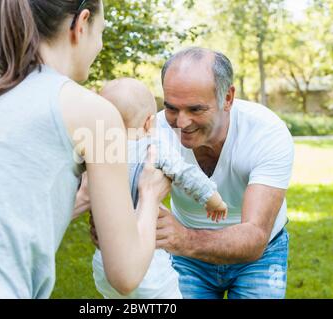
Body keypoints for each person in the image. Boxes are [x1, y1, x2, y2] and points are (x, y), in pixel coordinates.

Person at [0, 0, 170, 299]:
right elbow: (126, 273)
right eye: (101, 32)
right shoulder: (95, 113)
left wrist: (82, 198)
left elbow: (0, 219)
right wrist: (150, 195)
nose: (100, 45)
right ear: (81, 24)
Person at [154, 47, 295, 299]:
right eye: (172, 108)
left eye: (195, 109)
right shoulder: (155, 132)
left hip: (260, 255)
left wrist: (181, 239)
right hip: (188, 260)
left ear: (227, 98)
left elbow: (254, 237)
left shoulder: (266, 132)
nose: (181, 123)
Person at [89, 78, 228, 299]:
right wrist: (212, 198)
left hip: (107, 258)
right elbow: (185, 173)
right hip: (147, 255)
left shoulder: (94, 151)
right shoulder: (152, 147)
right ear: (148, 123)